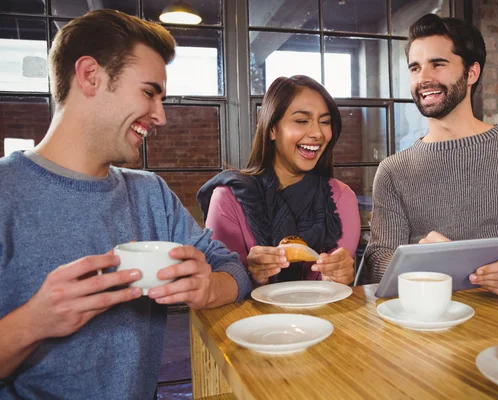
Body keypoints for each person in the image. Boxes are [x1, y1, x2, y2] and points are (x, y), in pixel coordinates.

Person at [0, 9, 251, 400]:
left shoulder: (151, 194)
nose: (161, 116)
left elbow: (233, 268)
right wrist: (34, 322)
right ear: (90, 76)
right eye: (149, 92)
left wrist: (209, 288)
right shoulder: (5, 193)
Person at [363, 14, 498, 300]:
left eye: (438, 64)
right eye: (415, 68)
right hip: (424, 324)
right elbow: (378, 261)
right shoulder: (393, 170)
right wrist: (420, 262)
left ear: (472, 73)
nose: (423, 78)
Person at [197, 75, 360, 286]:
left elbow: (331, 289)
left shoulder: (340, 198)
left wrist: (340, 275)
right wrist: (248, 274)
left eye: (325, 122)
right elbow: (216, 285)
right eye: (301, 121)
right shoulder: (229, 198)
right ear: (272, 129)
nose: (317, 133)